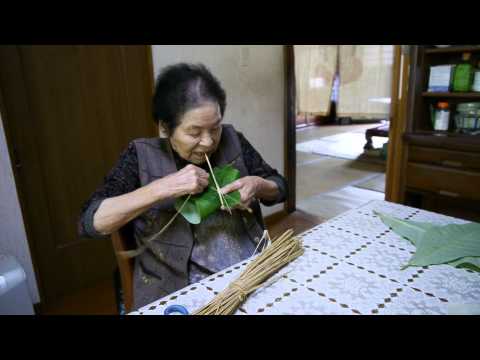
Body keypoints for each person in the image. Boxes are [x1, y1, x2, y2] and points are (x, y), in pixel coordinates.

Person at [78, 63, 287, 310]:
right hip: (181, 290)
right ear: (165, 128)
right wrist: (163, 187)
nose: (208, 142)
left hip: (250, 271)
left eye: (215, 127)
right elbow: (91, 222)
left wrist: (258, 185)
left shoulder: (233, 140)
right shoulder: (140, 156)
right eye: (194, 132)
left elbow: (280, 187)